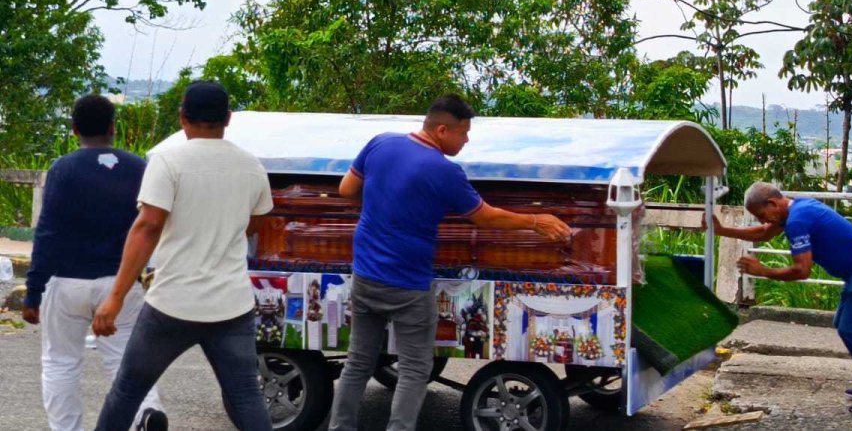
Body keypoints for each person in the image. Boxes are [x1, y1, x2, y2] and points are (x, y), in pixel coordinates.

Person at [329, 94, 572, 431]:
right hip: (408, 286)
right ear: (442, 130)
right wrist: (536, 221)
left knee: (358, 362)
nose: (467, 139)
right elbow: (486, 219)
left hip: (366, 274)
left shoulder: (380, 143)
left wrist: (381, 208)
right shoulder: (444, 171)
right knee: (414, 368)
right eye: (463, 133)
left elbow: (346, 189)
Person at [92, 82, 275, 431]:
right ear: (228, 119)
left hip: (172, 305)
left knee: (128, 390)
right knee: (245, 397)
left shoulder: (168, 161)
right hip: (231, 306)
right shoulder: (252, 167)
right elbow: (254, 224)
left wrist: (115, 298)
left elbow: (148, 227)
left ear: (182, 118)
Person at [22, 95, 168, 431]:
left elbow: (47, 232)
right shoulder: (139, 168)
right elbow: (151, 225)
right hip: (120, 284)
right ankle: (146, 412)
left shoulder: (64, 169)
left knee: (60, 363)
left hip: (67, 282)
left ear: (74, 129)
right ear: (113, 127)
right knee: (124, 361)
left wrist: (33, 290)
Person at [710, 182, 852, 416]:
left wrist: (763, 271)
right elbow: (764, 233)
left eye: (762, 215)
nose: (762, 221)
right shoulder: (795, 208)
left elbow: (802, 270)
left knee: (851, 329)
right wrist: (722, 230)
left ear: (772, 203)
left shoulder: (798, 220)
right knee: (844, 325)